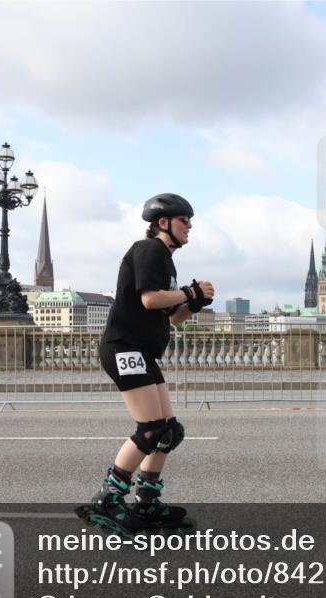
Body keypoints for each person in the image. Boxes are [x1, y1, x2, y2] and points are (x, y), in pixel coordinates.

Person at [79, 193, 214, 535]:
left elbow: (173, 317)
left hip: (142, 351)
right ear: (164, 223)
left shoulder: (166, 261)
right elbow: (149, 298)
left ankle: (148, 499)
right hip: (124, 347)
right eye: (185, 221)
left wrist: (195, 301)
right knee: (151, 428)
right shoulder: (148, 249)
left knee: (170, 431)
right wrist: (189, 291)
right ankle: (108, 497)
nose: (190, 227)